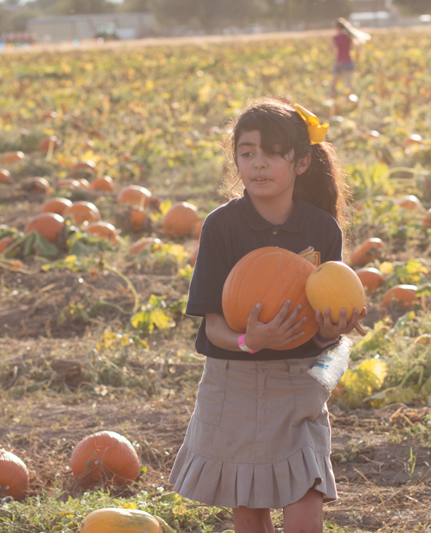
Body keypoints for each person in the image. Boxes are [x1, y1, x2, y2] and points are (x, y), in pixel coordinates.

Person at [168, 98, 366, 533]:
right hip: (233, 384)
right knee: (250, 509)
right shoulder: (221, 227)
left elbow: (324, 330)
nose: (258, 163)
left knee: (305, 508)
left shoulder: (322, 230)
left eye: (273, 152)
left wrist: (331, 332)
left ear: (301, 162)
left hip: (298, 382)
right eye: (247, 152)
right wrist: (249, 341)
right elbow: (213, 325)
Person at [330, 18, 369, 98]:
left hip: (339, 62)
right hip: (349, 61)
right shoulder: (349, 37)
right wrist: (357, 56)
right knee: (348, 84)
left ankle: (331, 98)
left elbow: (331, 49)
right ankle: (348, 100)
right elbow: (358, 47)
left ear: (337, 27)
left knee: (334, 83)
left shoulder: (336, 37)